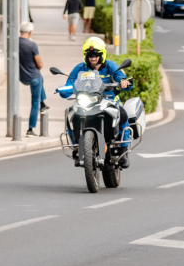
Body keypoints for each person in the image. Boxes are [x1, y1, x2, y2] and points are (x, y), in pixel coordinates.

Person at [58, 37, 133, 167]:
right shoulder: (80, 68)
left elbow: (121, 77)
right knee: (70, 114)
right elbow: (70, 82)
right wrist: (64, 89)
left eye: (96, 54)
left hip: (108, 100)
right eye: (89, 54)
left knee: (123, 114)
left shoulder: (111, 66)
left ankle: (123, 149)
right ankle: (77, 146)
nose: (92, 57)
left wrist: (123, 82)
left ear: (101, 54)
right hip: (85, 101)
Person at [19, 22, 49, 136]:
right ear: (30, 32)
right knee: (35, 103)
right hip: (34, 77)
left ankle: (43, 103)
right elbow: (40, 64)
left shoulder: (14, 42)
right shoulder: (32, 45)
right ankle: (30, 129)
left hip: (22, 77)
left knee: (41, 79)